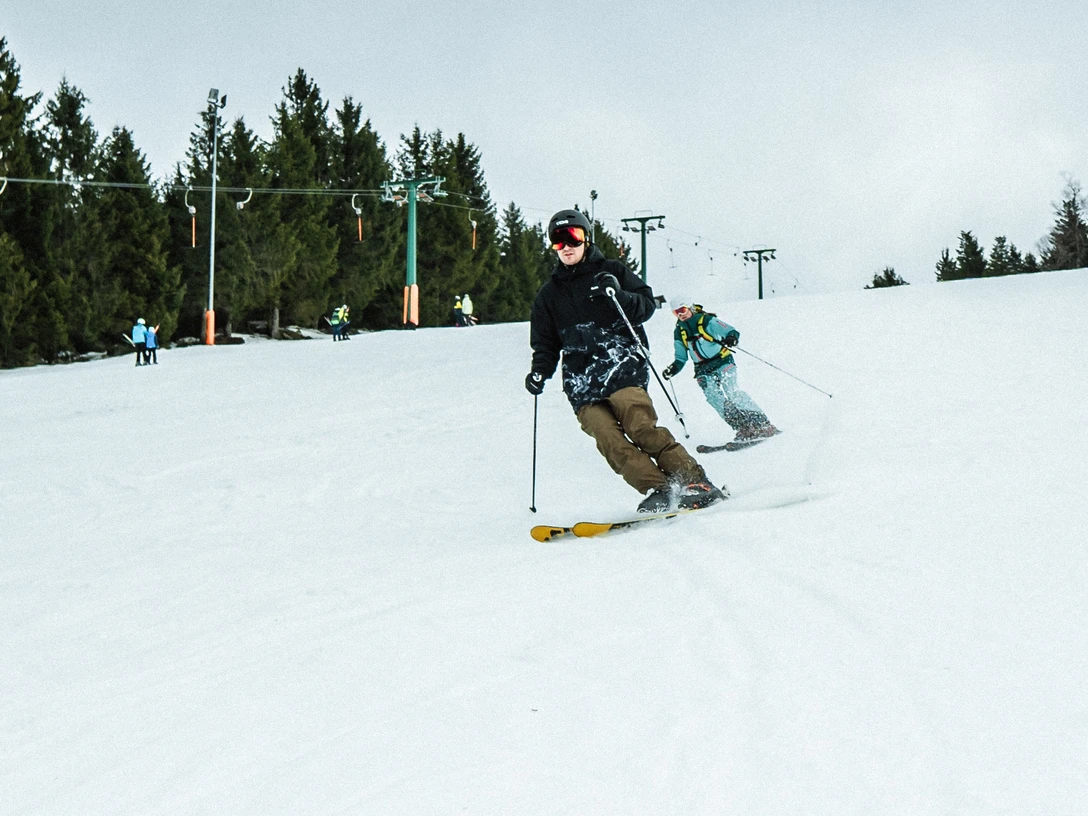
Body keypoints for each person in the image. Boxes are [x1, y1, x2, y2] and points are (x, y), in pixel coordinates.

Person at [525, 209, 724, 514]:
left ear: (585, 238)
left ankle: (694, 481)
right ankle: (658, 488)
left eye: (573, 238)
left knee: (640, 426)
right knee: (609, 440)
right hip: (581, 382)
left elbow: (645, 306)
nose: (566, 246)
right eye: (557, 240)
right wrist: (539, 372)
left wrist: (618, 294)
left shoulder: (611, 271)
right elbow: (545, 343)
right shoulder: (548, 295)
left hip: (621, 365)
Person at [662, 295, 779, 445]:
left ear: (690, 307)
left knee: (732, 392)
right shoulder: (680, 331)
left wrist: (732, 338)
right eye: (676, 313)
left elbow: (730, 331)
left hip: (722, 361)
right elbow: (681, 357)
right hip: (702, 368)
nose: (680, 315)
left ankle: (762, 424)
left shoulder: (706, 321)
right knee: (714, 397)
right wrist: (673, 369)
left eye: (682, 310)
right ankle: (743, 427)